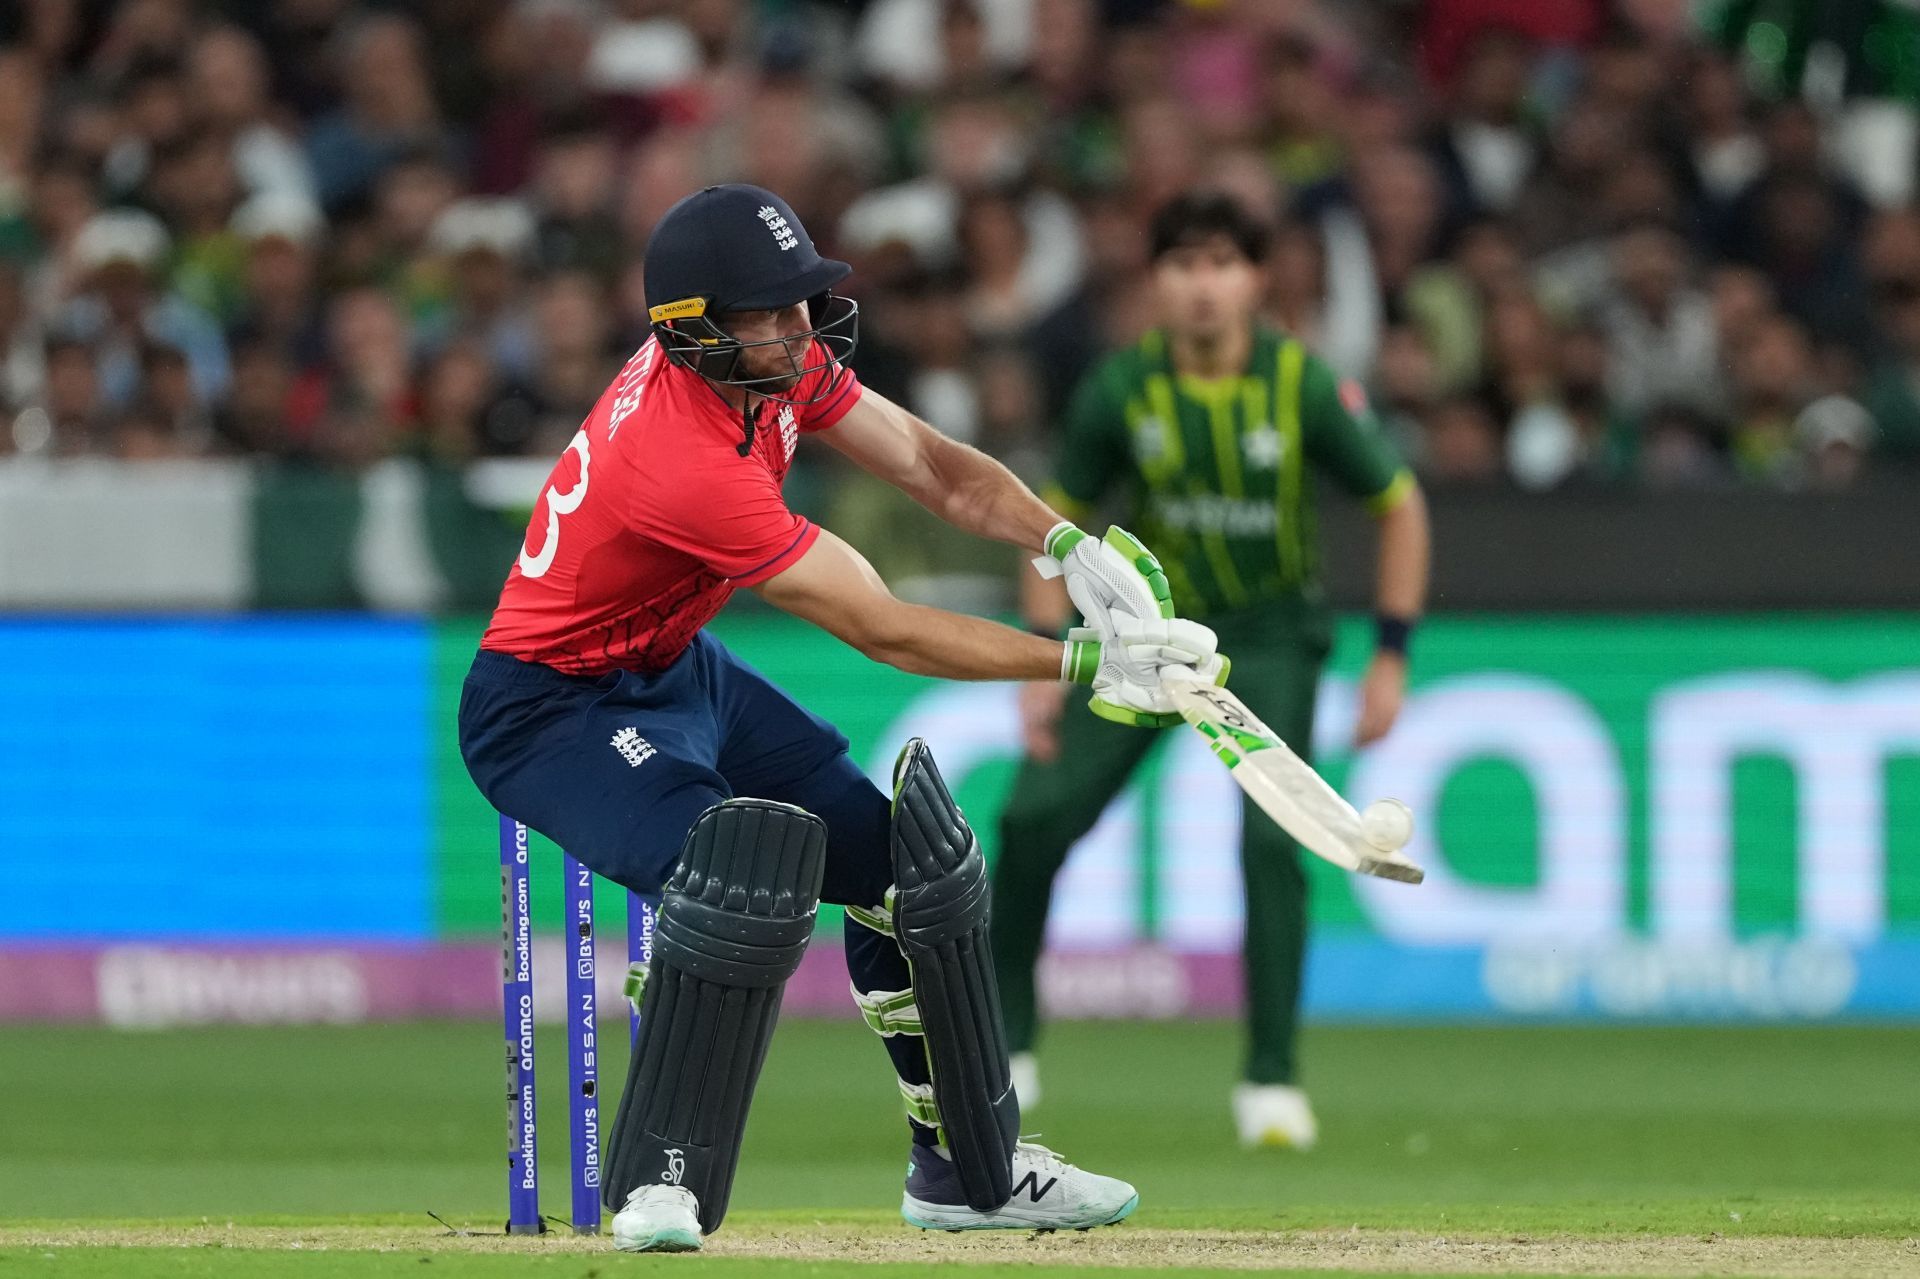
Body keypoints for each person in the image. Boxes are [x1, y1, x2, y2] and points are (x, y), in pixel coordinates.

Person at [456, 185, 1226, 1253]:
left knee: (912, 880)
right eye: (767, 312)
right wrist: (1079, 660)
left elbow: (931, 467)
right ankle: (659, 1178)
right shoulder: (677, 461)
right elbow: (884, 628)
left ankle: (968, 1173)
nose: (798, 329)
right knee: (730, 875)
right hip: (550, 707)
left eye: (801, 303)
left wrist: (1067, 548)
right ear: (690, 328)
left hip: (676, 668)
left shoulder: (768, 364)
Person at [992, 192, 1432, 1149]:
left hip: (1271, 640)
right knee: (1030, 821)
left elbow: (1398, 505)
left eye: (1224, 263)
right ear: (1156, 280)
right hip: (1149, 643)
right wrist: (1040, 666)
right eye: (1184, 264)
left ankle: (1271, 1082)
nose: (1203, 285)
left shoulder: (1304, 386)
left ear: (1259, 278)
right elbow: (1047, 523)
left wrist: (1390, 656)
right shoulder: (1119, 390)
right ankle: (1008, 1056)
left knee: (1277, 845)